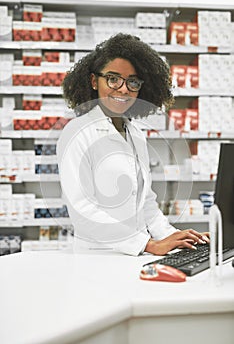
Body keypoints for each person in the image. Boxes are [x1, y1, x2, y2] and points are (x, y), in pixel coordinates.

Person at [56, 33, 209, 256]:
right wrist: (147, 245)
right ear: (93, 81)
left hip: (134, 257)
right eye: (113, 78)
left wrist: (176, 238)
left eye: (133, 82)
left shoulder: (135, 133)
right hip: (97, 258)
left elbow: (145, 201)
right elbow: (83, 211)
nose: (124, 89)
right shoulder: (77, 132)